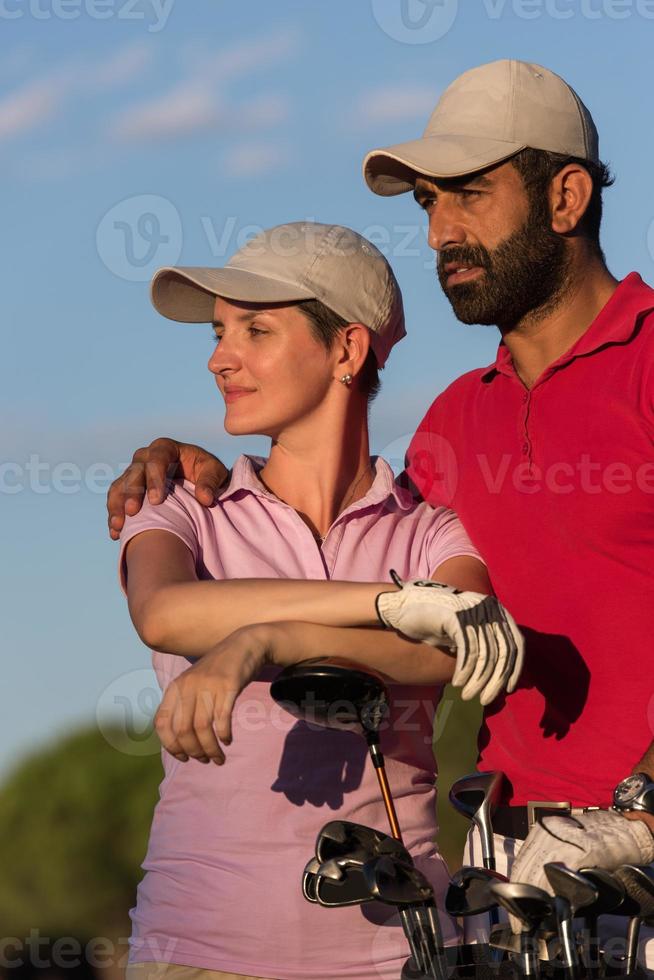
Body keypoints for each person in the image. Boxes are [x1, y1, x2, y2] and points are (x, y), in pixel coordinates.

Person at [108, 60, 654, 969]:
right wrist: (186, 463)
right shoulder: (447, 432)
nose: (441, 230)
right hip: (511, 883)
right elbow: (422, 611)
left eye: (470, 195)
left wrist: (644, 813)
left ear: (565, 198)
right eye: (429, 204)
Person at [117, 221, 523, 980]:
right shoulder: (181, 508)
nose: (219, 358)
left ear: (347, 349)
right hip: (200, 955)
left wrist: (266, 641)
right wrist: (392, 601)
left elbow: (448, 644)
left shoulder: (433, 529)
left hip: (403, 955)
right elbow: (165, 613)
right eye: (218, 332)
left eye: (256, 330)